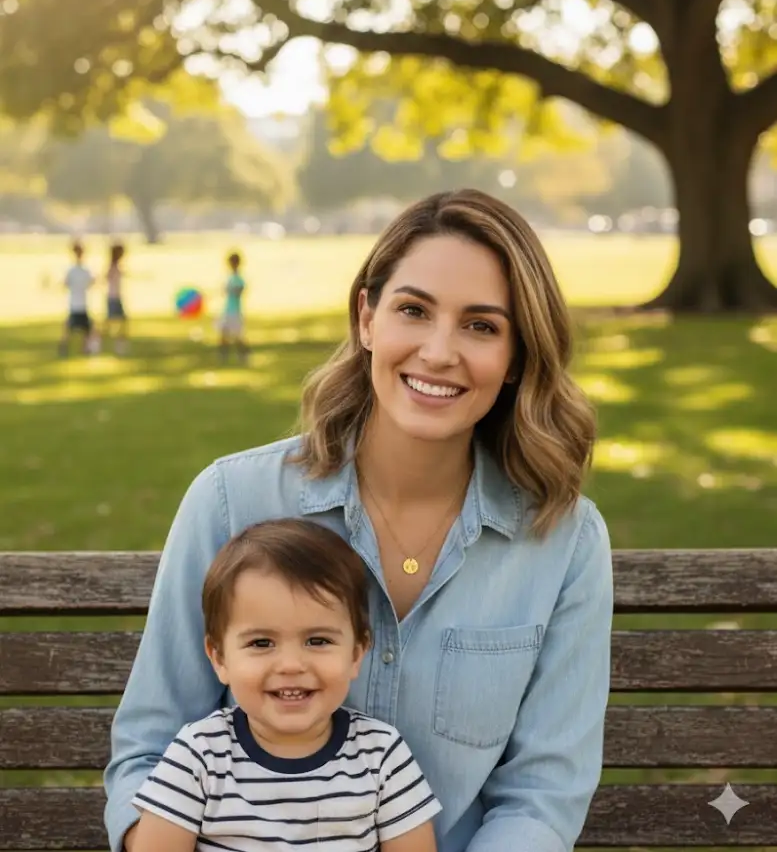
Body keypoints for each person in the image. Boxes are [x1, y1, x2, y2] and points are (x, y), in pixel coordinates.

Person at [105, 189, 614, 852]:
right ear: (367, 317)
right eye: (413, 310)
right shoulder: (230, 501)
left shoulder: (564, 540)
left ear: (516, 355)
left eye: (480, 326)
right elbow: (150, 750)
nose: (437, 351)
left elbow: (540, 798)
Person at [130, 519, 440, 852]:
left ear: (356, 654)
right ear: (219, 658)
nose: (291, 665)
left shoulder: (381, 756)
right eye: (262, 643)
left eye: (317, 640)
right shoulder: (199, 757)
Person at [58, 240, 97, 356]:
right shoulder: (84, 271)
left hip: (75, 304)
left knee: (76, 328)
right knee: (86, 329)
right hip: (81, 304)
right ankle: (83, 348)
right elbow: (92, 282)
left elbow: (65, 284)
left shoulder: (72, 270)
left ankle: (76, 347)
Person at [218, 250, 248, 362]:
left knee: (237, 336)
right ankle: (223, 356)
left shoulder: (238, 279)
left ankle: (243, 354)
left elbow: (239, 291)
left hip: (235, 311)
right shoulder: (231, 278)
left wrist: (230, 290)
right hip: (228, 310)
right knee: (223, 334)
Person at [105, 242, 129, 355]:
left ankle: (120, 342)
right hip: (113, 297)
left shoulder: (116, 266)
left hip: (115, 297)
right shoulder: (113, 267)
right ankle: (95, 340)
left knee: (122, 320)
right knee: (110, 322)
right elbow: (108, 277)